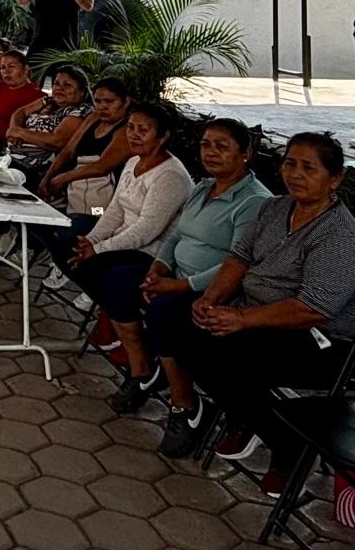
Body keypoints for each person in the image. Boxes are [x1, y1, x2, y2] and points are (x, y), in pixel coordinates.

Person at [171, 132, 355, 497]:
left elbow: (313, 308)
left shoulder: (339, 235)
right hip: (253, 313)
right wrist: (211, 298)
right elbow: (239, 257)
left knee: (228, 353)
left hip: (321, 340)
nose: (295, 174)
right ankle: (247, 415)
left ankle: (285, 443)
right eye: (290, 164)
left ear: (334, 178)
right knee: (182, 325)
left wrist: (240, 320)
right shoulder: (274, 208)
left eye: (309, 168)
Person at [96, 119, 272, 458]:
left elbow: (238, 264)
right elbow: (177, 235)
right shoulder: (203, 187)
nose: (211, 152)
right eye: (206, 144)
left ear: (245, 153)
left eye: (222, 146)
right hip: (175, 274)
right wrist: (157, 269)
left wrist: (177, 286)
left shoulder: (254, 202)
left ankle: (186, 405)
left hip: (215, 290)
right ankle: (142, 371)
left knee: (163, 313)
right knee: (117, 280)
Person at [60, 102, 194, 350]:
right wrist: (91, 240)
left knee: (97, 267)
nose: (134, 135)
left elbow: (147, 230)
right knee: (65, 243)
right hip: (123, 239)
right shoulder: (133, 162)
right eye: (130, 127)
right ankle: (111, 311)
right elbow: (115, 209)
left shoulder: (170, 176)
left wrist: (98, 249)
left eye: (143, 130)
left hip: (151, 253)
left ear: (163, 136)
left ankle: (124, 324)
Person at [34, 76, 133, 286]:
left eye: (110, 101)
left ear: (125, 102)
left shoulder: (125, 130)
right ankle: (58, 254)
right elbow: (68, 151)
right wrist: (48, 177)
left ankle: (66, 263)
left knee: (78, 224)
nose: (103, 106)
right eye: (98, 101)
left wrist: (64, 178)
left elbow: (102, 166)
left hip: (103, 207)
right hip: (75, 196)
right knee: (34, 214)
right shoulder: (93, 118)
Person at [4, 65, 93, 190]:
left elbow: (57, 141)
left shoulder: (80, 111)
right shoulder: (49, 101)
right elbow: (20, 112)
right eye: (56, 83)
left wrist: (20, 133)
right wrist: (14, 131)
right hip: (9, 160)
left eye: (67, 85)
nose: (59, 88)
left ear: (82, 91)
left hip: (33, 171)